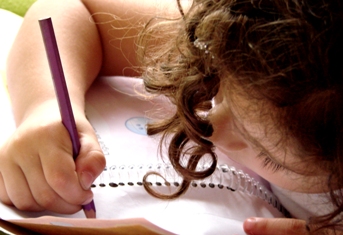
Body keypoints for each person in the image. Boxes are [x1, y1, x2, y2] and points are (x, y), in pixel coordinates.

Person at [0, 0, 341, 234]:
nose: (210, 130)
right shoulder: (262, 45)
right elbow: (74, 9)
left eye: (266, 152)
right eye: (215, 84)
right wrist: (43, 109)